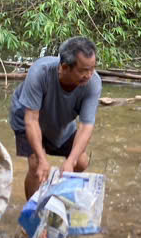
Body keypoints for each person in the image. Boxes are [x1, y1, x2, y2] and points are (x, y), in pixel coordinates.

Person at [9, 36, 101, 200]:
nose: (89, 75)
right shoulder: (40, 72)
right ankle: (33, 220)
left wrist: (70, 162)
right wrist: (42, 157)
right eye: (83, 70)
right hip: (27, 116)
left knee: (81, 163)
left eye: (92, 68)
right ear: (65, 67)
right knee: (37, 166)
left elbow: (86, 126)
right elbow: (31, 120)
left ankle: (55, 198)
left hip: (59, 118)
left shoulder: (93, 83)